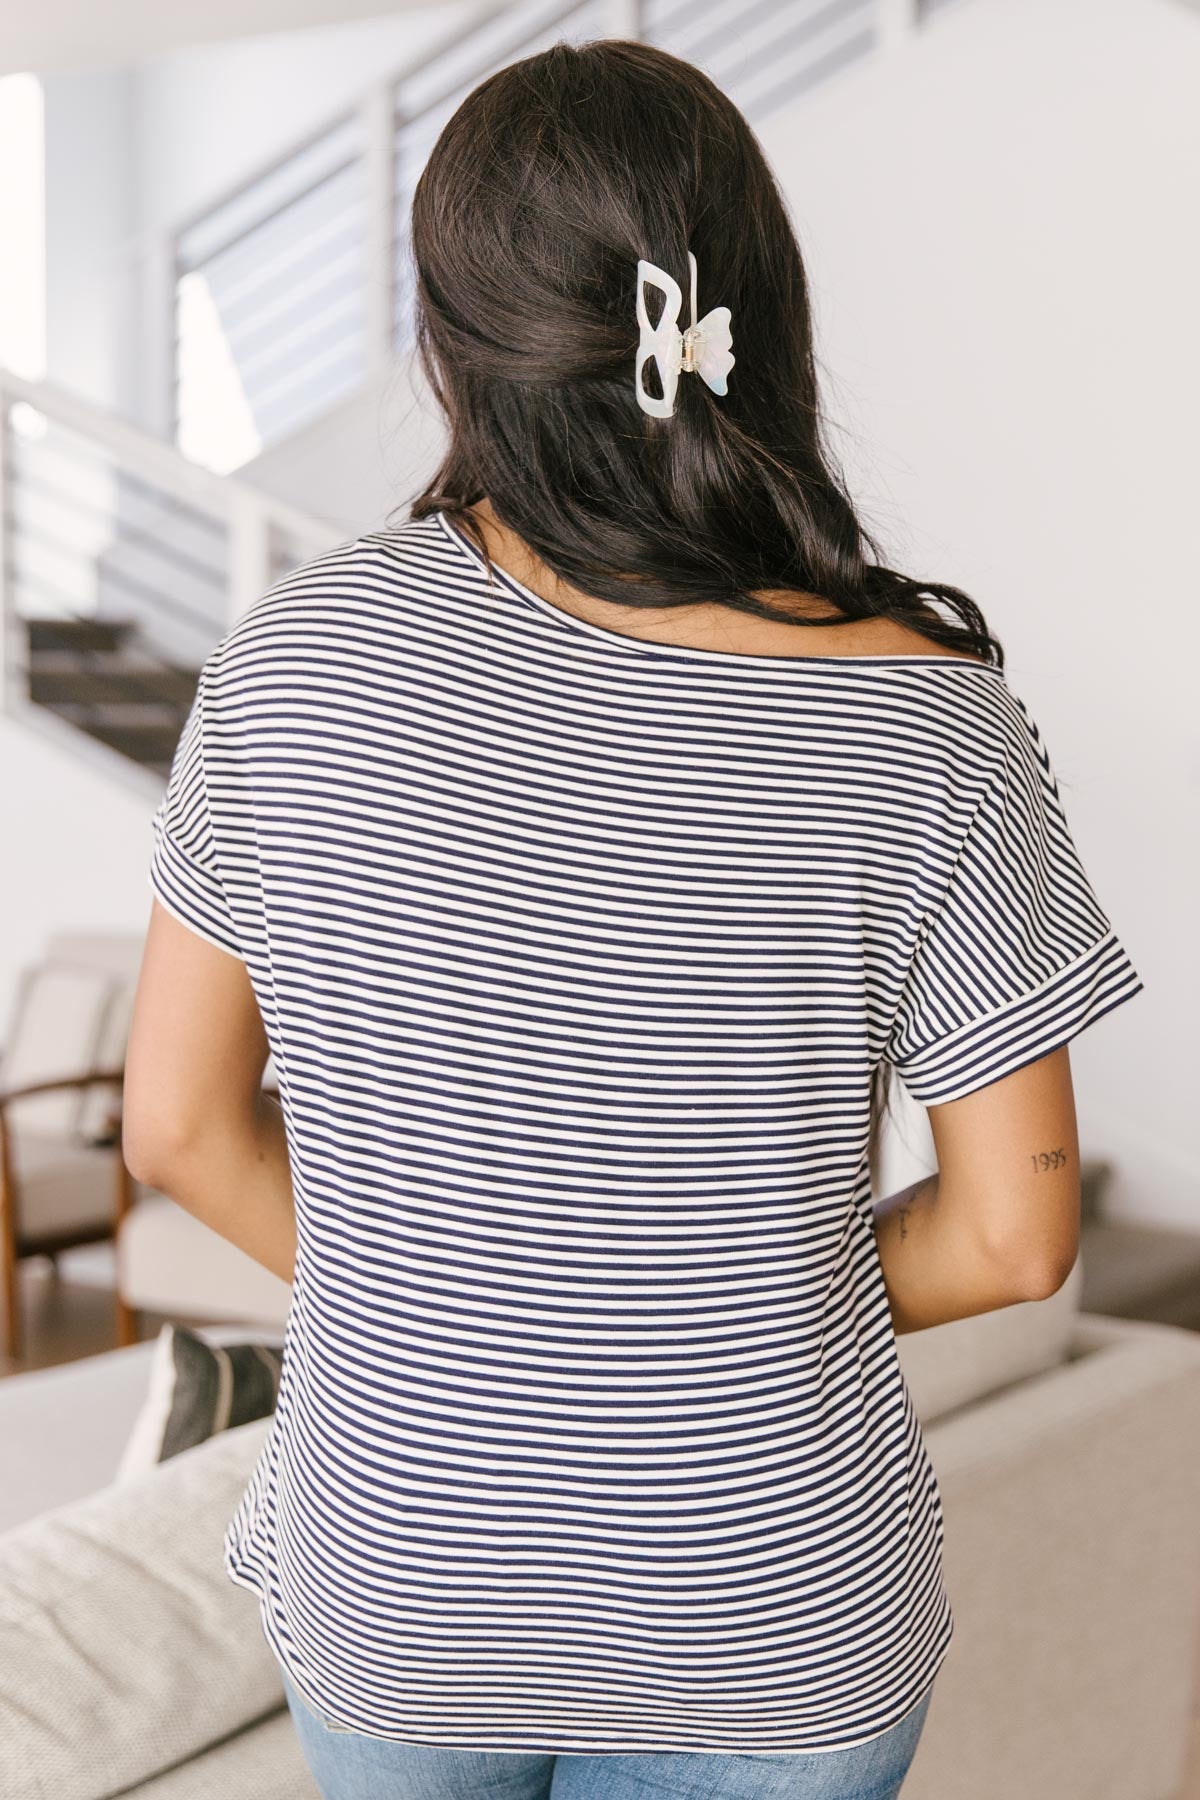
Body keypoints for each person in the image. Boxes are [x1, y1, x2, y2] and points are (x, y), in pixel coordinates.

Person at [123, 37, 1145, 1800]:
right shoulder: (930, 717)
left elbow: (177, 1128)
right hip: (776, 1616)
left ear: (450, 338)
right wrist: (707, 1315)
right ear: (757, 309)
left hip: (405, 1582)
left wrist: (468, 1308)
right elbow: (1013, 1237)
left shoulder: (295, 659)